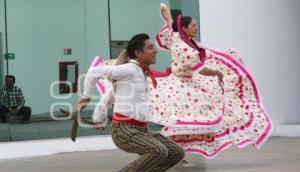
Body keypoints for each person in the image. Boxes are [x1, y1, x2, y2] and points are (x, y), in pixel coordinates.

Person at [92, 3, 273, 161]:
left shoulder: (181, 38)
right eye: (194, 25)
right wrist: (217, 72)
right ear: (185, 28)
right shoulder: (184, 48)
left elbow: (172, 28)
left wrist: (167, 14)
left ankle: (175, 153)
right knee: (191, 116)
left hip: (188, 82)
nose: (196, 28)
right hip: (182, 85)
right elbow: (200, 69)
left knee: (189, 119)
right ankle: (164, 151)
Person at [77, 33, 184, 172]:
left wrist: (98, 117)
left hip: (141, 130)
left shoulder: (141, 73)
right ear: (138, 53)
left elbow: (111, 95)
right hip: (124, 130)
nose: (155, 51)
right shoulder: (129, 69)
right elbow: (93, 72)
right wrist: (87, 95)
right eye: (150, 47)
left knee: (176, 152)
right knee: (159, 151)